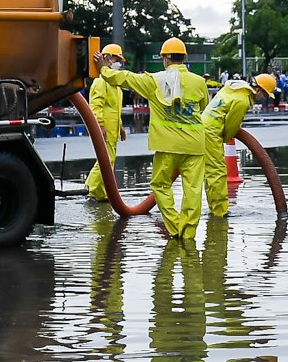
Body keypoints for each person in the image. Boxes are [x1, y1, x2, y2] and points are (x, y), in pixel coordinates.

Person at [96, 38, 209, 238]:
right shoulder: (199, 82)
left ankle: (175, 226)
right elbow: (203, 107)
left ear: (165, 59)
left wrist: (103, 70)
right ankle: (188, 233)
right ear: (184, 58)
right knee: (193, 190)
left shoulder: (154, 81)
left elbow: (125, 78)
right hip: (195, 145)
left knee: (159, 185)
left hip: (167, 146)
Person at [201, 73, 277, 217]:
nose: (264, 99)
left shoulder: (235, 90)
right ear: (259, 90)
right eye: (266, 95)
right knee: (217, 173)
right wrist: (225, 138)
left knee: (211, 172)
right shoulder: (242, 101)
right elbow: (231, 126)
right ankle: (220, 212)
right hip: (211, 132)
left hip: (204, 127)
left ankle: (215, 209)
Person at [85, 43, 127, 202]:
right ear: (107, 59)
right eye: (117, 59)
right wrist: (100, 126)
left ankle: (101, 193)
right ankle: (92, 191)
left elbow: (115, 109)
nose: (118, 63)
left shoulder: (114, 84)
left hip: (112, 130)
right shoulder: (101, 81)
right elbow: (96, 106)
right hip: (106, 129)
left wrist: (121, 128)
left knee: (109, 160)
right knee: (106, 161)